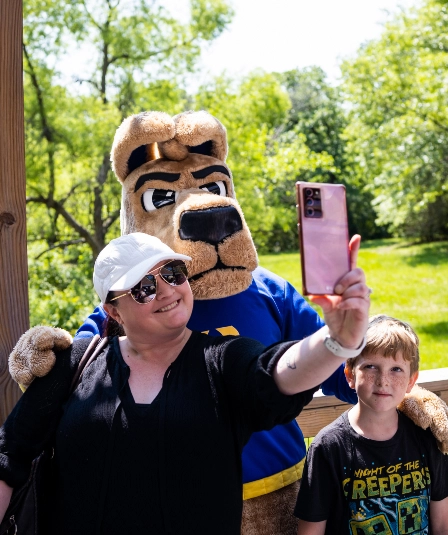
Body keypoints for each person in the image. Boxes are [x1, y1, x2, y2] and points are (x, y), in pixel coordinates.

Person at [0, 232, 369, 534]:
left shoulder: (222, 359)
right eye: (143, 287)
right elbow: (9, 457)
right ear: (113, 310)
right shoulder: (77, 362)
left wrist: (336, 341)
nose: (166, 290)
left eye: (173, 273)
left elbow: (275, 375)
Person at [295, 315, 448, 535]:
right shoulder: (328, 447)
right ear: (349, 374)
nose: (382, 380)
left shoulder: (428, 436)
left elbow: (442, 525)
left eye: (396, 369)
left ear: (411, 381)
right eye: (370, 367)